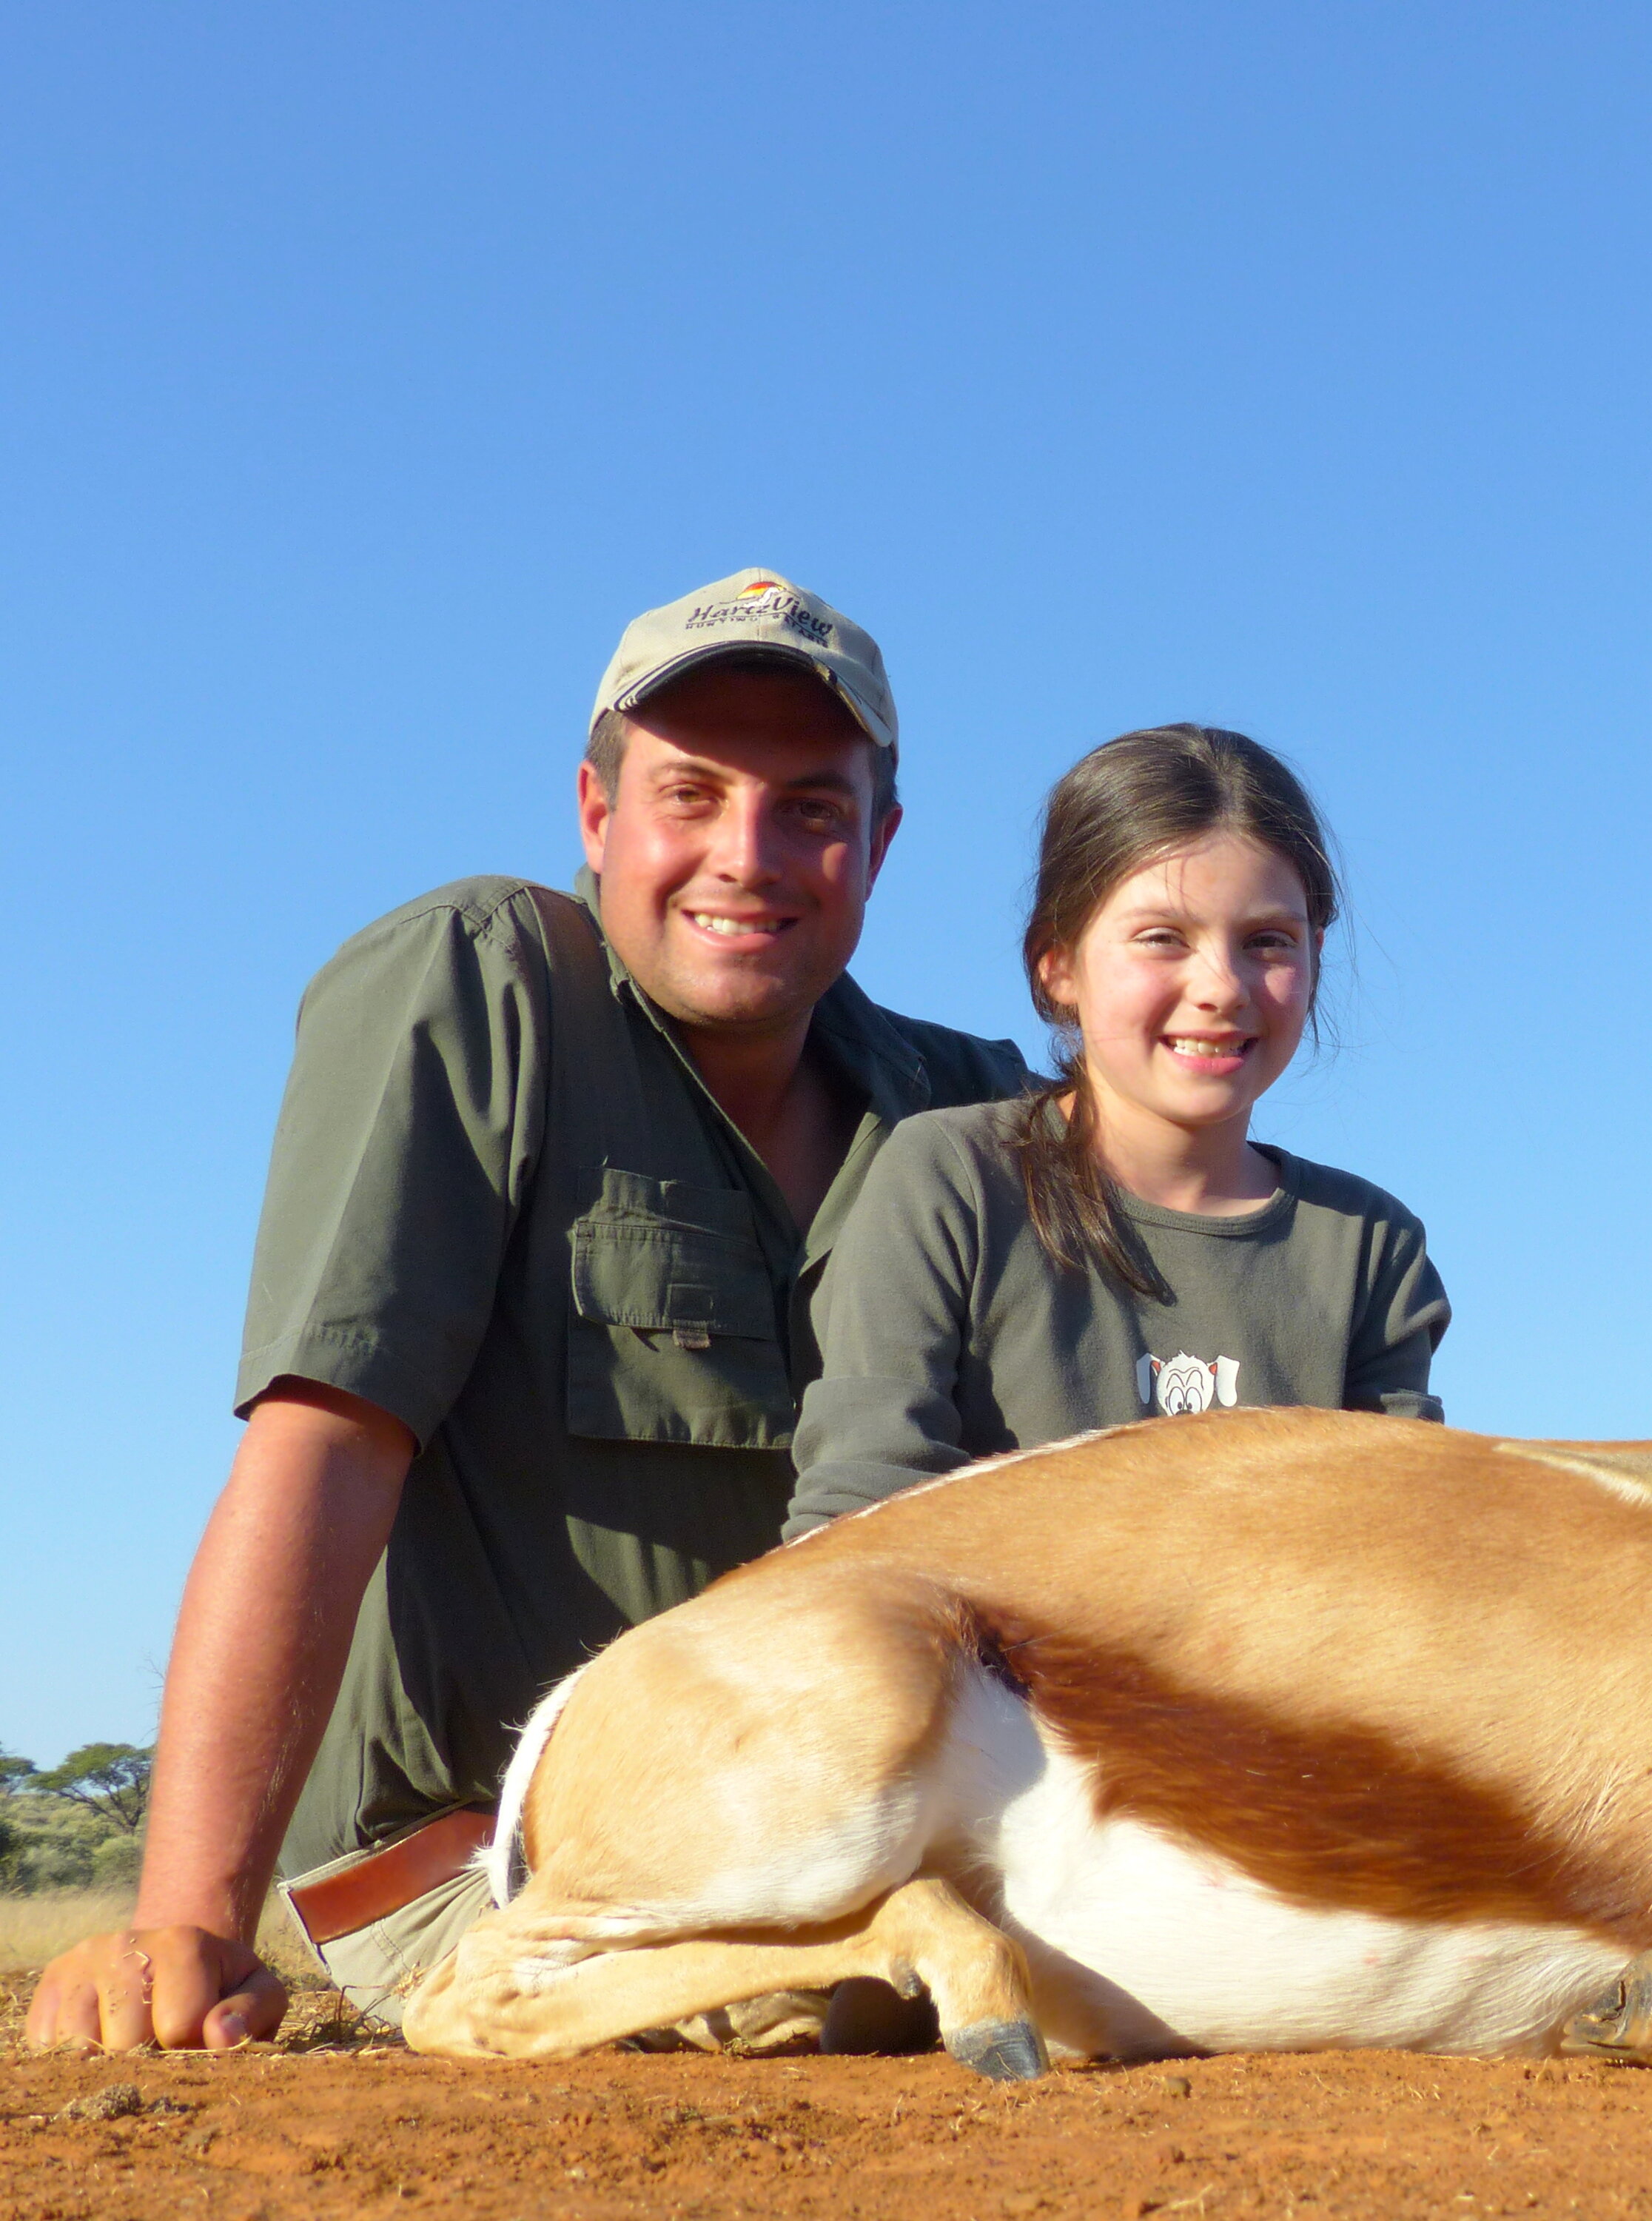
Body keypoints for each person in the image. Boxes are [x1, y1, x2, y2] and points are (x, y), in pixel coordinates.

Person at [25, 570, 1027, 2052]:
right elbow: (327, 1445)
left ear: (879, 843)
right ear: (595, 812)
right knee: (834, 2020)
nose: (746, 855)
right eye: (690, 793)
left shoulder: (969, 1107)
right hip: (508, 1867)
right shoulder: (479, 985)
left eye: (811, 808)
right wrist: (184, 1929)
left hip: (846, 1842)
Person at [781, 724, 1447, 1544]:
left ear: (1313, 958)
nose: (1221, 987)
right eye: (1163, 938)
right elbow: (858, 1522)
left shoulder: (1369, 1247)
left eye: (1266, 941)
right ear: (1056, 964)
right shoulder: (946, 1180)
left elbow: (1402, 1552)